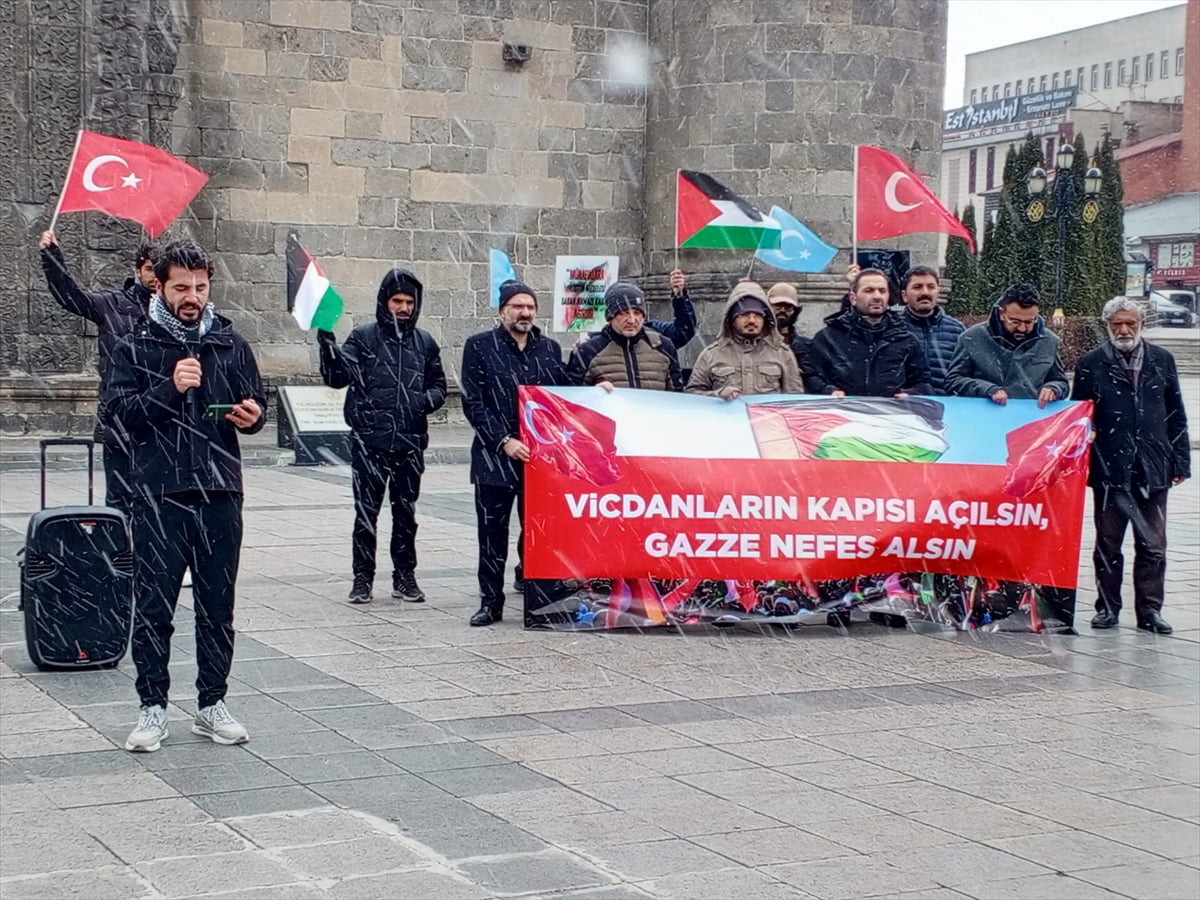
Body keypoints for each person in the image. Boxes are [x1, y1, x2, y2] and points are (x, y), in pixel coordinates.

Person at [103, 240, 265, 752]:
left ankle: (211, 703)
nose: (191, 296)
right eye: (181, 287)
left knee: (218, 605)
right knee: (154, 606)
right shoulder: (136, 345)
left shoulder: (230, 343)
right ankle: (152, 707)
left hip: (219, 488)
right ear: (160, 285)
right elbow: (117, 417)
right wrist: (168, 387)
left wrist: (254, 415)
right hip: (159, 491)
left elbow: (257, 402)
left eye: (200, 286)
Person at [317, 268, 446, 604]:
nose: (403, 307)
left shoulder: (425, 343)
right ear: (384, 302)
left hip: (410, 443)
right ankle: (363, 579)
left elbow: (440, 387)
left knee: (406, 515)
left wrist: (422, 401)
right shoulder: (364, 338)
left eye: (408, 302)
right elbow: (337, 377)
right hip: (369, 443)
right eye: (396, 300)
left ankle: (405, 576)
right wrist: (326, 343)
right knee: (366, 515)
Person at [1072, 297, 1191, 634]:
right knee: (1108, 543)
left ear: (1141, 323)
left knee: (1153, 545)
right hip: (1110, 466)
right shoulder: (1091, 363)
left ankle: (1150, 611)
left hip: (1153, 466)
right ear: (1107, 324)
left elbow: (1176, 413)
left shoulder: (1162, 359)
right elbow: (1079, 417)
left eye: (1130, 323)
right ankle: (1107, 607)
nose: (1124, 330)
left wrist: (1180, 460)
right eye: (1117, 324)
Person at [461, 281, 571, 626]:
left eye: (530, 307)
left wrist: (597, 388)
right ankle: (490, 603)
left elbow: (561, 394)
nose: (525, 313)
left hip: (537, 462)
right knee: (492, 536)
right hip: (495, 459)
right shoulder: (479, 346)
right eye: (518, 306)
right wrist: (503, 440)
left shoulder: (549, 349)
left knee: (538, 534)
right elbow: (473, 403)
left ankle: (541, 604)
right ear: (502, 311)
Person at [38, 229, 157, 506]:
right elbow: (71, 297)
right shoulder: (112, 304)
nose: (154, 277)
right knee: (120, 497)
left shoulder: (172, 311)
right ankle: (119, 548)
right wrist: (52, 257)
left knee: (157, 499)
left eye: (159, 270)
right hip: (119, 417)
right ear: (137, 270)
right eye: (149, 269)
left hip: (158, 420)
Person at [804, 267, 931, 397]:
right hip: (843, 413)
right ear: (853, 298)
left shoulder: (905, 339)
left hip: (892, 413)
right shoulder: (828, 338)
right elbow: (810, 375)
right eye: (869, 291)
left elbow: (923, 382)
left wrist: (909, 394)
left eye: (882, 291)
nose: (877, 296)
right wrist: (828, 391)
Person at [945, 282, 1068, 407]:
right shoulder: (972, 337)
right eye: (1015, 321)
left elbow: (1061, 382)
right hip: (985, 415)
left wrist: (1053, 388)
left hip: (1032, 419)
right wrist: (987, 389)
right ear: (1001, 313)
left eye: (1029, 322)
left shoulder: (1049, 340)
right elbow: (953, 380)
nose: (1022, 328)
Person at [687, 282, 803, 399]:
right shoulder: (710, 355)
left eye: (758, 315)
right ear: (731, 319)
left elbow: (795, 400)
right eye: (744, 314)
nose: (752, 320)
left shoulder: (783, 354)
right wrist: (717, 394)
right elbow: (692, 396)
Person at [569, 282, 683, 391]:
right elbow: (571, 398)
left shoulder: (663, 347)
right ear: (610, 316)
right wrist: (594, 393)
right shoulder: (588, 351)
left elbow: (677, 398)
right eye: (624, 313)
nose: (632, 320)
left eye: (637, 313)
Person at [898, 266, 964, 395]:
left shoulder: (957, 330)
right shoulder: (891, 327)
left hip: (947, 408)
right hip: (903, 408)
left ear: (938, 292)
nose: (925, 293)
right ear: (904, 295)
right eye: (917, 287)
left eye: (931, 287)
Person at [766, 282, 812, 375]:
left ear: (795, 311)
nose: (782, 310)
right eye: (777, 305)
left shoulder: (807, 346)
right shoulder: (755, 343)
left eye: (788, 307)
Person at [647, 268, 698, 348]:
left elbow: (683, 331)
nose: (631, 319)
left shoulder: (649, 333)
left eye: (636, 312)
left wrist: (679, 296)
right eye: (622, 313)